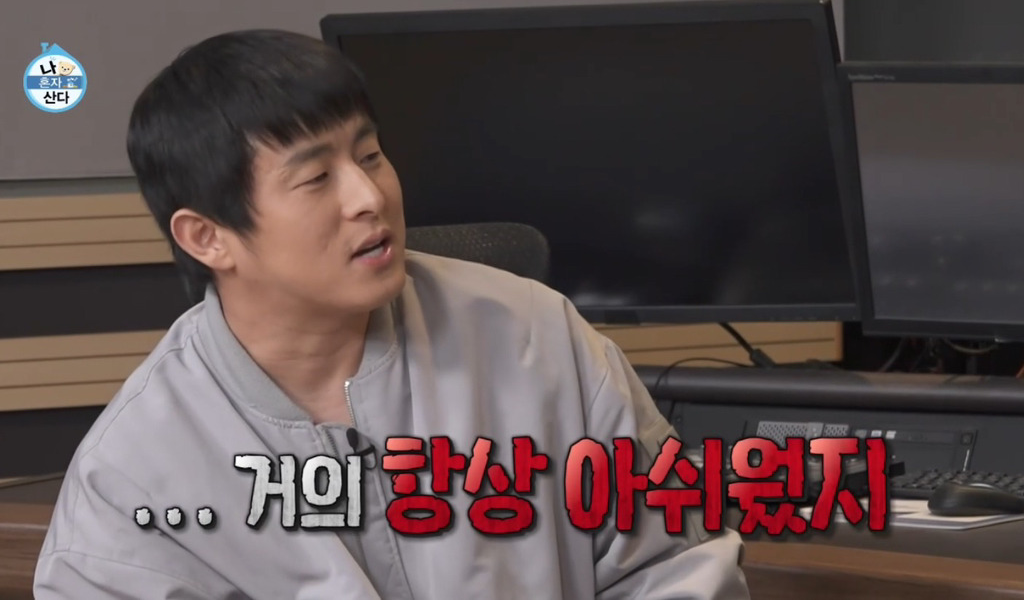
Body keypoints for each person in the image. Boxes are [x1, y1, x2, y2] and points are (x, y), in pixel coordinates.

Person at [33, 29, 750, 599]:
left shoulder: (538, 336)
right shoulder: (135, 475)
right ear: (207, 237)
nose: (368, 196)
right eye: (317, 177)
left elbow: (675, 561)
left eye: (371, 154)